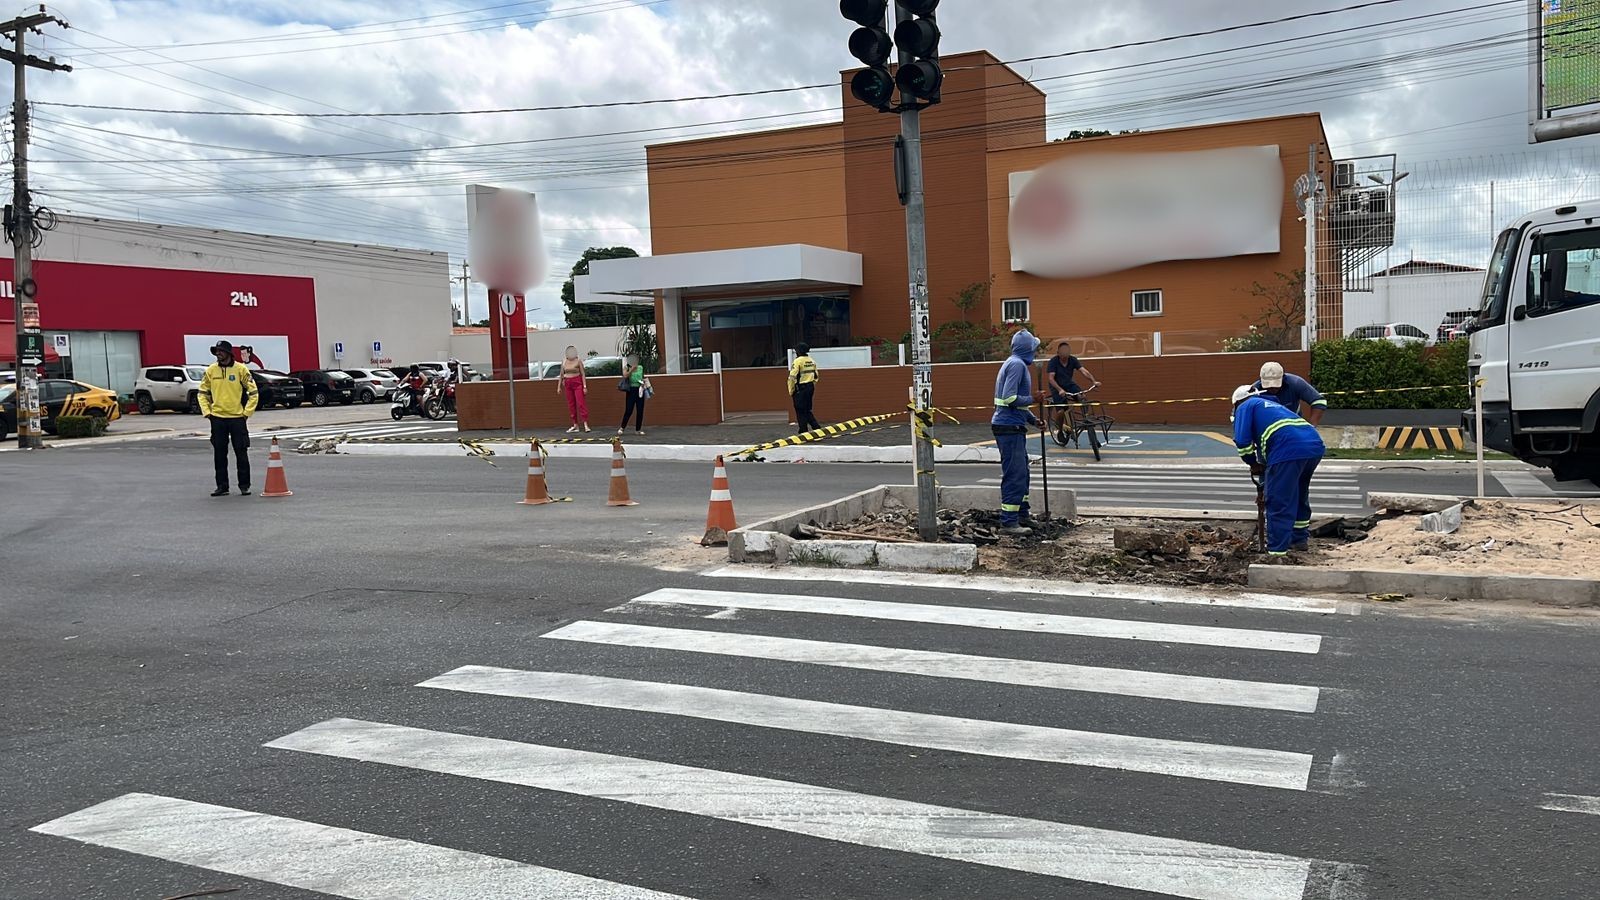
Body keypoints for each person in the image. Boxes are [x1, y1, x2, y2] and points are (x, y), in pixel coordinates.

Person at [1232, 384, 1326, 556]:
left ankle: (1276, 552)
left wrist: (1252, 463)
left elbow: (1242, 442)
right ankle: (1299, 540)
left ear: (1237, 403)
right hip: (1313, 445)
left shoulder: (1245, 405)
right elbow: (1267, 448)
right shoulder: (1273, 406)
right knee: (1298, 492)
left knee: (1278, 500)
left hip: (1288, 449)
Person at [992, 330, 1046, 535]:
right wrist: (1035, 399)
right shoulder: (1016, 365)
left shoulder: (1015, 363)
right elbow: (1008, 398)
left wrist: (1033, 420)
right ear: (1029, 348)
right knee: (1015, 474)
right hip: (1008, 427)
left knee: (1022, 473)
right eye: (1034, 347)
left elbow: (1016, 404)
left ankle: (1022, 514)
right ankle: (1009, 521)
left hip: (1013, 424)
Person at [199, 340, 259, 497]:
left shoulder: (241, 369)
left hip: (237, 418)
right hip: (217, 418)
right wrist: (207, 412)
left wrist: (246, 413)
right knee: (219, 454)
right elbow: (202, 393)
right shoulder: (211, 371)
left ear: (228, 353)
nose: (218, 354)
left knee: (241, 452)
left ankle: (244, 485)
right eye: (216, 351)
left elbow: (253, 392)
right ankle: (222, 486)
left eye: (220, 351)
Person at [1044, 339, 1100, 431]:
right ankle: (1060, 428)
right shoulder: (1053, 362)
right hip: (1056, 386)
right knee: (1061, 410)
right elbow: (1051, 378)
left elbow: (1083, 371)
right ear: (1058, 353)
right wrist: (1060, 390)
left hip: (1069, 384)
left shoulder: (1072, 360)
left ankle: (1086, 419)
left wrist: (1093, 381)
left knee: (1082, 397)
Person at [1253, 361, 1327, 427]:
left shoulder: (1296, 383)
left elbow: (1319, 401)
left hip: (1294, 426)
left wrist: (1312, 426)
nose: (1272, 388)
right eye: (1268, 386)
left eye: (1275, 386)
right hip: (1267, 428)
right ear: (1261, 380)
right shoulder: (1254, 390)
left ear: (1283, 378)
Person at [788, 343, 822, 434]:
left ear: (799, 351)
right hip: (810, 387)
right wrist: (811, 385)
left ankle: (807, 429)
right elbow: (816, 376)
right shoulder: (811, 361)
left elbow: (792, 377)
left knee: (800, 409)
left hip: (800, 388)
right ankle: (813, 428)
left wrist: (791, 390)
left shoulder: (798, 361)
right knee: (806, 409)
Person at [557, 345, 590, 433]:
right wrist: (559, 386)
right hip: (568, 383)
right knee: (571, 405)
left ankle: (585, 424)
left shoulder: (578, 360)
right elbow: (561, 375)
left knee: (581, 403)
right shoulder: (564, 361)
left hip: (577, 383)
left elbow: (583, 374)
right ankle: (575, 425)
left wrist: (584, 386)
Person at [618, 354, 647, 435]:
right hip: (631, 390)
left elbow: (643, 376)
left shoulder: (641, 367)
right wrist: (631, 370)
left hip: (640, 389)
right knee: (629, 410)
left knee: (640, 410)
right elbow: (625, 375)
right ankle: (622, 428)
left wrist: (644, 383)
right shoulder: (626, 367)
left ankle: (638, 429)